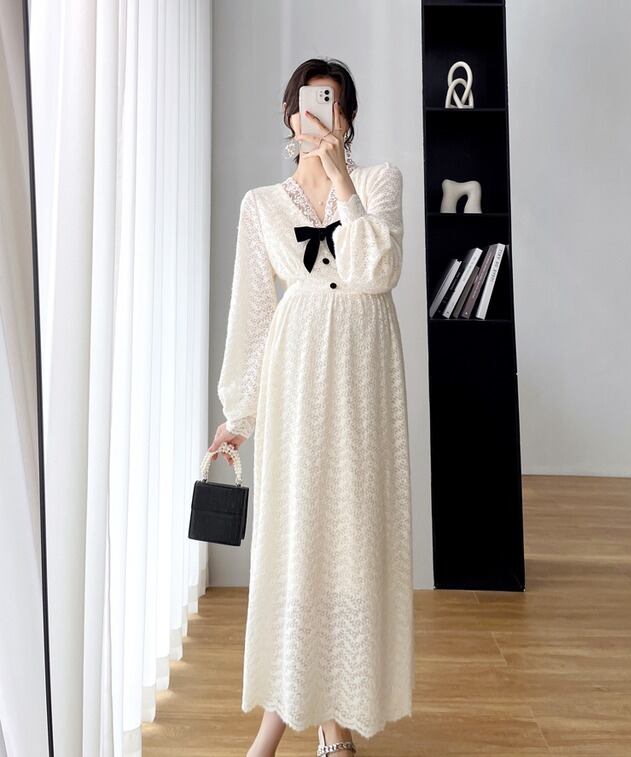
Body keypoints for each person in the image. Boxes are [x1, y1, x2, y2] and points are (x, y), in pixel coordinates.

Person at [210, 57, 414, 757]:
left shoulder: (380, 182)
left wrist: (342, 182)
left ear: (347, 119)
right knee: (300, 538)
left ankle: (332, 719)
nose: (320, 116)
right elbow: (253, 311)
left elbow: (378, 270)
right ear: (289, 116)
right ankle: (300, 723)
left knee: (353, 540)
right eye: (308, 104)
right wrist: (239, 413)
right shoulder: (261, 205)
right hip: (297, 377)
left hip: (364, 377)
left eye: (333, 105)